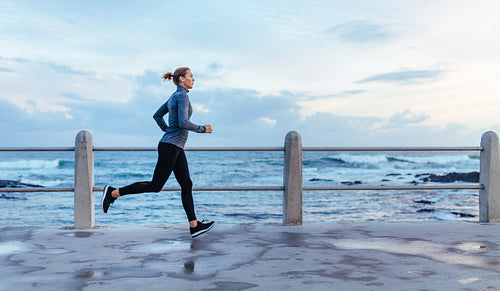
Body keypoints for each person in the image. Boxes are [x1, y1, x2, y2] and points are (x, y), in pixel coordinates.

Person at [102, 67, 215, 238]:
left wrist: (168, 131)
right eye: (191, 76)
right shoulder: (182, 96)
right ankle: (113, 193)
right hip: (171, 147)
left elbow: (157, 116)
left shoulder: (174, 96)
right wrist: (202, 129)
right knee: (156, 185)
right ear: (182, 79)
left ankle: (194, 225)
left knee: (186, 184)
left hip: (174, 146)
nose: (194, 79)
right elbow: (184, 122)